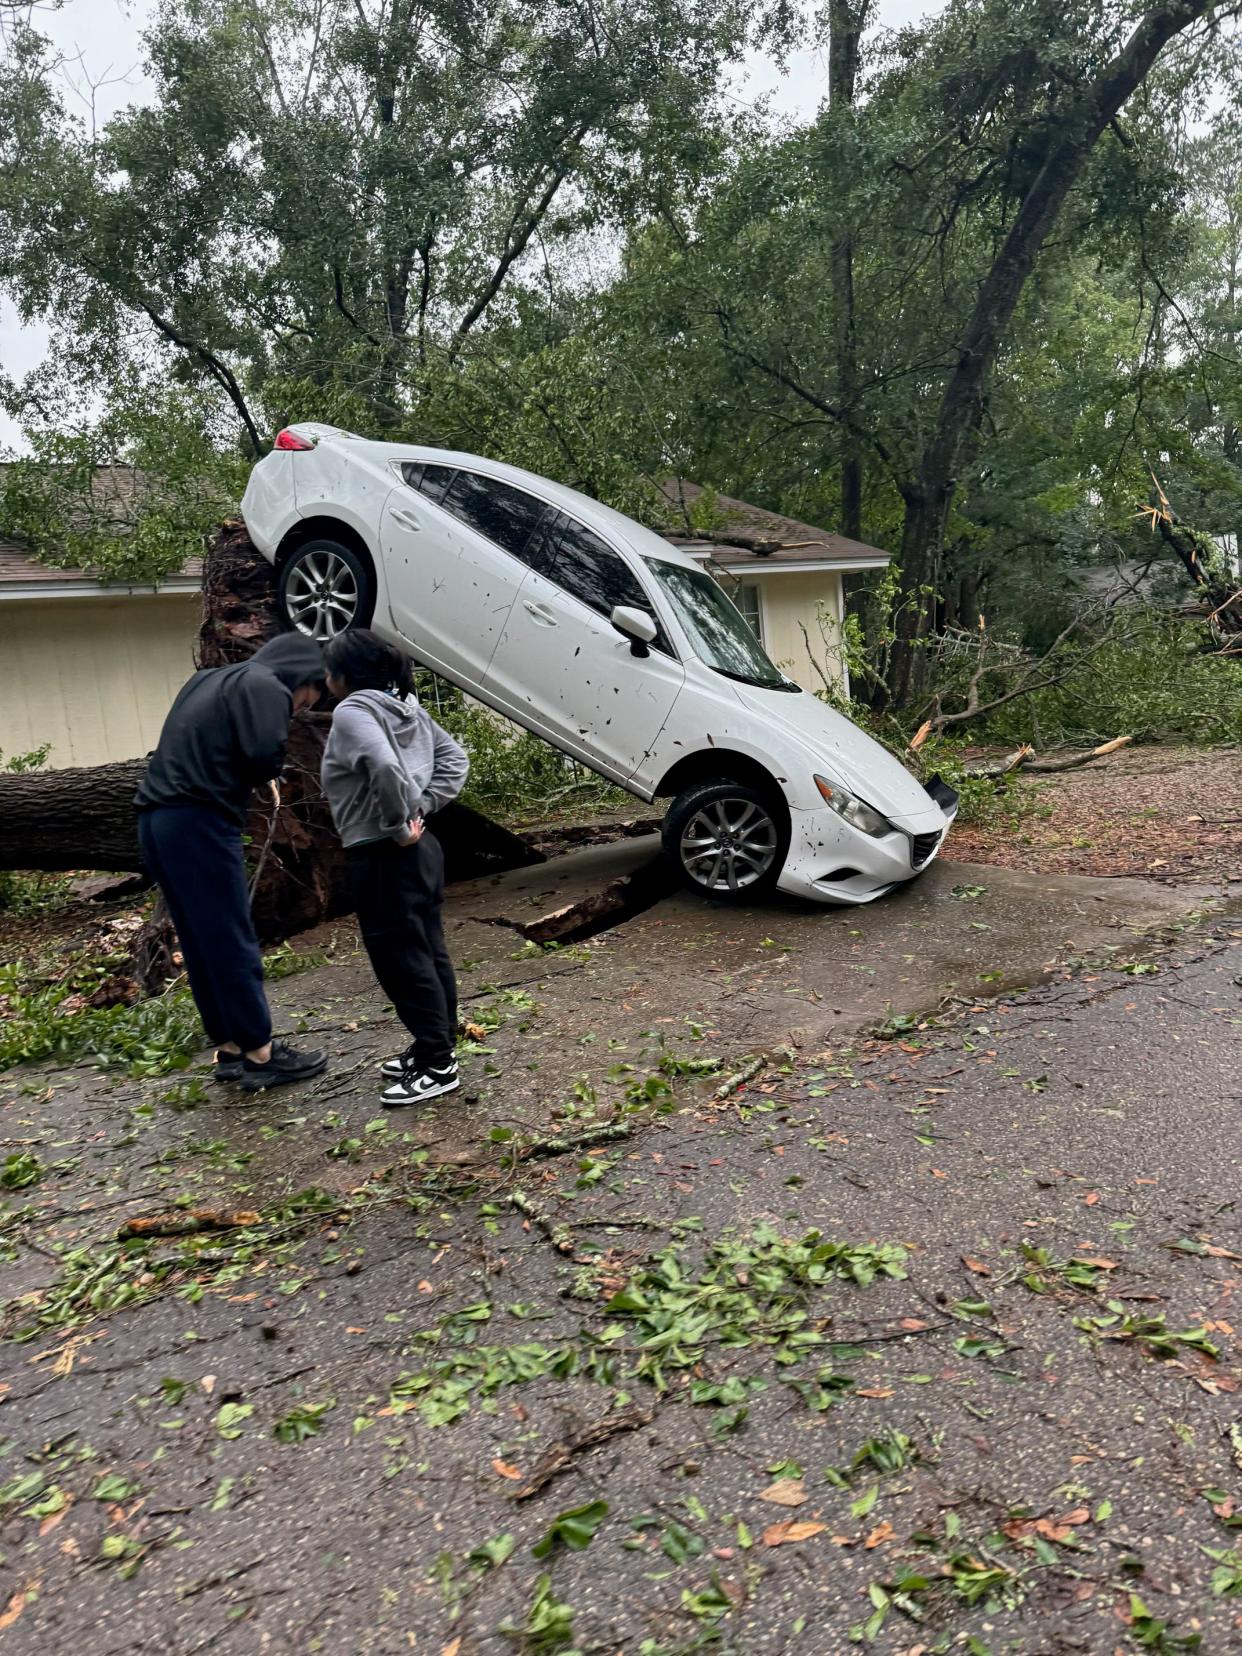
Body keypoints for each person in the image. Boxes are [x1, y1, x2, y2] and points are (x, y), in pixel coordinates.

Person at [136, 634, 330, 1091]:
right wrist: (271, 771)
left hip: (156, 820)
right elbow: (264, 752)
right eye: (309, 695)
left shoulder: (208, 679)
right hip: (200, 820)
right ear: (303, 678)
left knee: (201, 939)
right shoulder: (267, 685)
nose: (302, 706)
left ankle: (229, 1046)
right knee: (230, 934)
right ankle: (262, 1053)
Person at [320, 629, 469, 1106]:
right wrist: (422, 807)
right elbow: (455, 760)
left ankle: (438, 1063)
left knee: (401, 960)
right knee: (427, 950)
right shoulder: (406, 707)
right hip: (420, 852)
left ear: (344, 677)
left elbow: (383, 767)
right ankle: (436, 1045)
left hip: (385, 853)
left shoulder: (352, 710)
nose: (325, 679)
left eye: (329, 670)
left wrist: (399, 821)